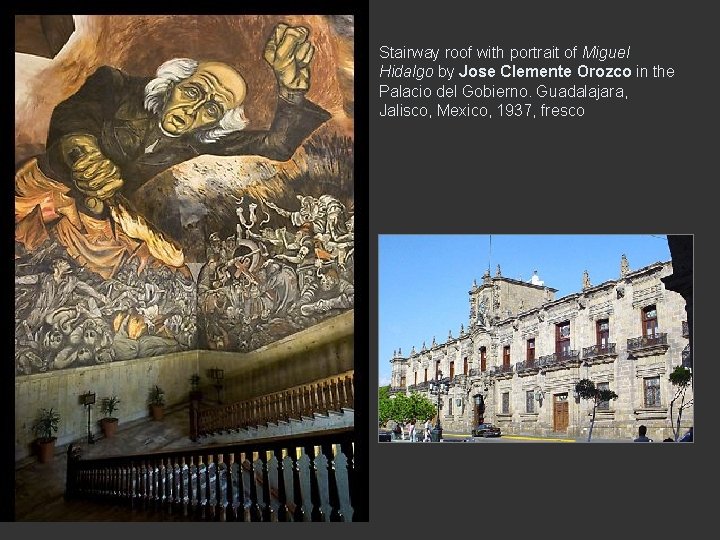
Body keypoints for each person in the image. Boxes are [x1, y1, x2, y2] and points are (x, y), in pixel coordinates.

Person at [15, 23, 331, 279]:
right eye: (193, 91)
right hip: (45, 185)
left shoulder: (204, 142)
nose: (195, 109)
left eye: (212, 108)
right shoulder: (115, 84)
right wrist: (83, 153)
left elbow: (274, 147)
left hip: (100, 225)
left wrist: (292, 93)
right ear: (174, 82)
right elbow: (75, 117)